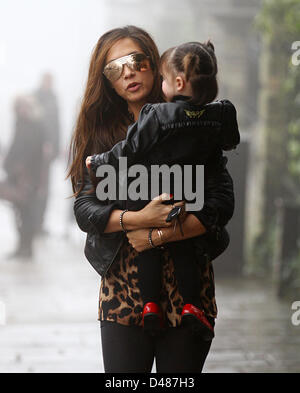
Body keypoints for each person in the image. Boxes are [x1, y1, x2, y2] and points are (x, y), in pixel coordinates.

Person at [67, 26, 235, 373]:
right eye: (114, 68)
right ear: (107, 80)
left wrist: (162, 233)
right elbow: (85, 210)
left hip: (189, 291)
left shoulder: (195, 121)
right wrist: (139, 220)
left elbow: (220, 200)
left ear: (155, 64)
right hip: (124, 294)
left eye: (135, 60)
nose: (127, 71)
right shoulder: (103, 136)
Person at [0, 95, 45, 259]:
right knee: (18, 212)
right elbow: (13, 147)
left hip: (29, 176)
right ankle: (21, 247)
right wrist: (8, 166)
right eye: (18, 107)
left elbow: (37, 154)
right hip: (15, 175)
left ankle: (27, 248)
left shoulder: (37, 126)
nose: (21, 110)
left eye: (23, 106)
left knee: (27, 212)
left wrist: (32, 175)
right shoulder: (19, 124)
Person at [34, 73, 60, 235]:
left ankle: (41, 222)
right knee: (34, 187)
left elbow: (57, 125)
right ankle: (34, 223)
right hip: (35, 152)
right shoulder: (35, 97)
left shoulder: (54, 99)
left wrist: (56, 148)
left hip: (48, 153)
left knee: (46, 188)